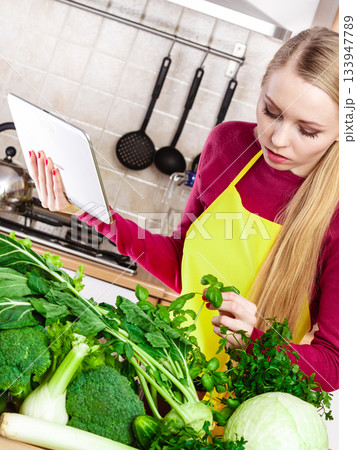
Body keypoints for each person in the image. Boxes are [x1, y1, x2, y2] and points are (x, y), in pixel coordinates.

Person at [28, 26, 339, 393]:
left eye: (307, 131)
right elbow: (182, 263)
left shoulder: (340, 210)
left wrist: (258, 340)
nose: (277, 138)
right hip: (173, 381)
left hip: (251, 408)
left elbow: (334, 366)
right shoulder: (228, 144)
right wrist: (88, 209)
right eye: (271, 111)